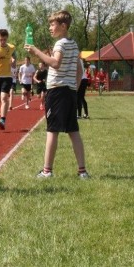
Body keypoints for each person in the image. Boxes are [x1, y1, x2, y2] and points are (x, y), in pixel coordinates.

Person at [24, 10, 89, 179]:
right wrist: (74, 87)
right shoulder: (73, 44)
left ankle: (47, 171)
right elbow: (80, 69)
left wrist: (36, 51)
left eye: (53, 24)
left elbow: (55, 63)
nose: (50, 28)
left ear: (63, 26)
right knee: (73, 131)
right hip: (69, 92)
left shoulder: (60, 45)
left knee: (52, 130)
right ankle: (82, 172)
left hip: (57, 92)